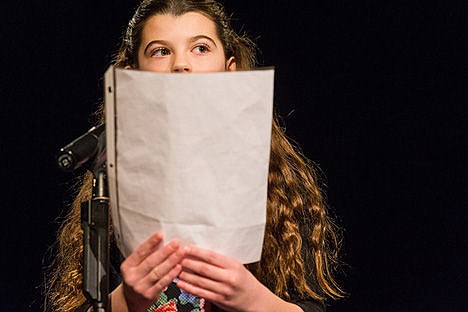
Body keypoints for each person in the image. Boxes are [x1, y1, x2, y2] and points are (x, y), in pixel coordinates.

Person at [44, 1, 345, 311]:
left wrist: (254, 300)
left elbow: (311, 303)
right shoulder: (108, 184)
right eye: (161, 51)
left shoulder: (277, 178)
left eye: (200, 48)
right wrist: (125, 301)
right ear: (133, 75)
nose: (181, 64)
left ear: (230, 70)